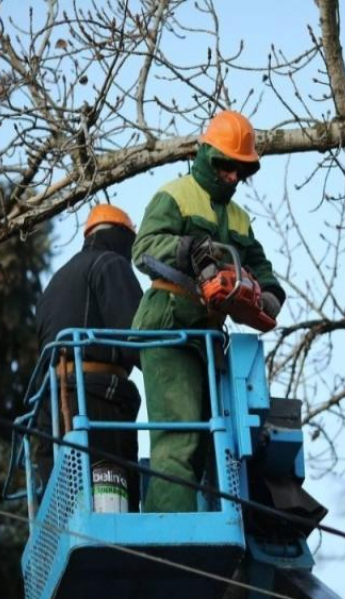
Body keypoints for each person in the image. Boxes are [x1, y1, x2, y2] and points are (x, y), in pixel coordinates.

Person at [132, 110, 285, 512]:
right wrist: (189, 249)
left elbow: (260, 265)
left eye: (241, 169)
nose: (233, 176)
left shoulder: (238, 218)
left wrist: (269, 293)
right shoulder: (176, 195)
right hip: (168, 320)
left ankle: (189, 519)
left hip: (207, 332)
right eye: (226, 166)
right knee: (180, 434)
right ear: (206, 155)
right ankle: (169, 529)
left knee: (207, 440)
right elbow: (143, 249)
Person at [35, 203, 143, 511]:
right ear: (123, 238)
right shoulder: (111, 264)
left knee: (66, 503)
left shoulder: (56, 281)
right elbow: (136, 339)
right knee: (111, 509)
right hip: (95, 401)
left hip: (51, 407)